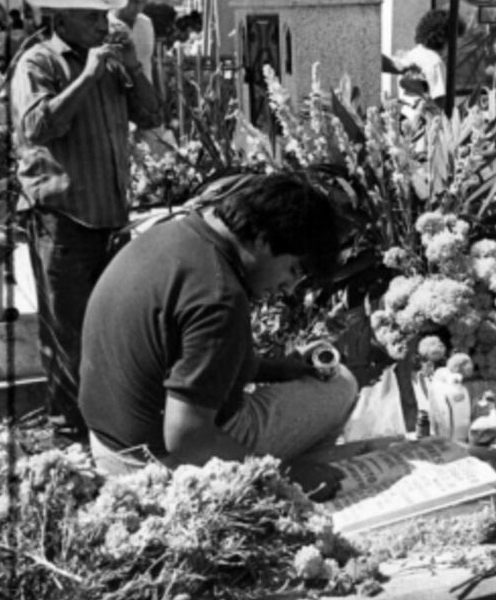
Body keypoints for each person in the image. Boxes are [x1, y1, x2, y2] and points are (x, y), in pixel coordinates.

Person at [79, 174, 357, 500]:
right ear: (265, 241)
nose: (287, 289)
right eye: (294, 270)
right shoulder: (219, 295)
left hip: (107, 442)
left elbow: (173, 354)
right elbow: (186, 436)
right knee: (341, 386)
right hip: (154, 468)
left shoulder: (172, 235)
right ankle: (282, 482)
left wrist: (269, 368)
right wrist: (284, 478)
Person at [12, 0, 160, 437]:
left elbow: (152, 116)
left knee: (115, 325)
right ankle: (70, 428)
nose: (105, 26)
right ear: (62, 20)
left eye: (104, 18)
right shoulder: (38, 62)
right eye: (93, 18)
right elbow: (38, 126)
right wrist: (88, 77)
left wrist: (132, 65)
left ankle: (113, 419)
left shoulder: (112, 60)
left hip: (110, 215)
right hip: (65, 218)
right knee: (68, 331)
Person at [383, 9, 465, 116]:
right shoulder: (435, 62)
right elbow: (440, 100)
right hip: (424, 118)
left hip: (404, 113)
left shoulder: (414, 53)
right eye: (455, 39)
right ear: (445, 38)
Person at [110, 0, 155, 84]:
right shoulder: (107, 24)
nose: (138, 8)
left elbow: (149, 60)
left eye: (143, 2)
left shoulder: (146, 23)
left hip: (144, 90)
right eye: (134, 1)